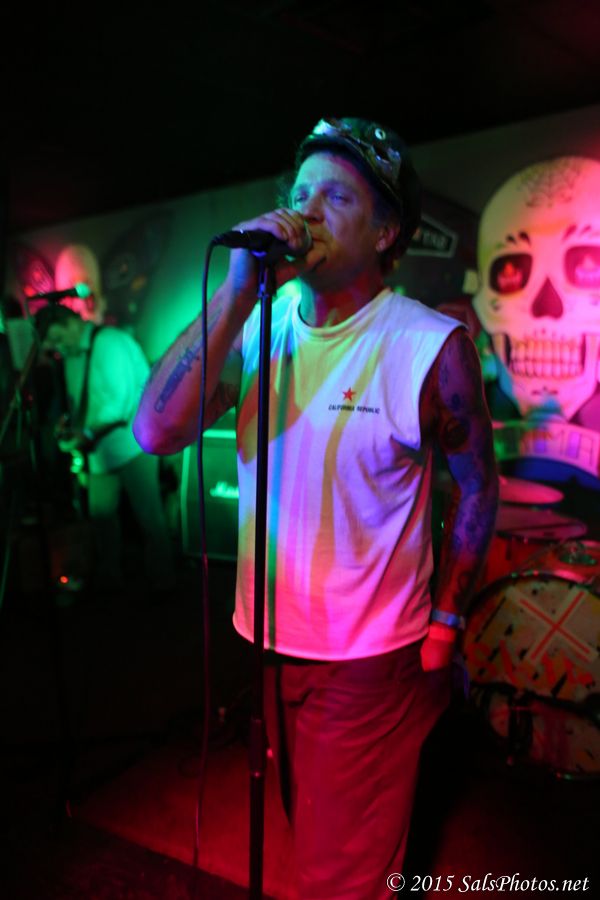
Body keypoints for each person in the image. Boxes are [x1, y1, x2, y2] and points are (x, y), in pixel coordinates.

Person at [134, 117, 499, 898]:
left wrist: (447, 620)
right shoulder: (257, 328)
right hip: (269, 643)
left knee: (340, 877)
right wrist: (235, 294)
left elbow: (476, 486)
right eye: (300, 193)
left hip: (369, 659)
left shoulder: (429, 346)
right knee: (309, 830)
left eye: (336, 197)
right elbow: (156, 430)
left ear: (386, 231)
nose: (306, 210)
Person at [34, 303, 174, 596]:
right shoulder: (74, 356)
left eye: (57, 338)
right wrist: (70, 426)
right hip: (100, 452)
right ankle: (110, 582)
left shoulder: (110, 342)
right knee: (101, 519)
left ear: (71, 323)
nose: (58, 348)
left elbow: (118, 404)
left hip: (133, 447)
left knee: (149, 518)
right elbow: (83, 403)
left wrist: (84, 434)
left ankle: (163, 584)